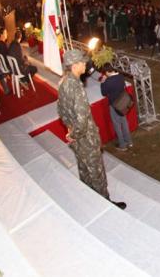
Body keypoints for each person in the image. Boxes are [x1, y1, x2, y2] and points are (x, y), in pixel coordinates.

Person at [57, 49, 126, 209]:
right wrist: (74, 133)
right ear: (74, 66)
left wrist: (70, 130)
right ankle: (105, 206)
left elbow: (60, 110)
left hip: (77, 138)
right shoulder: (76, 87)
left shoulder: (63, 82)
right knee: (97, 174)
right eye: (82, 62)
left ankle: (89, 201)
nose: (85, 64)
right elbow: (82, 120)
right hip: (86, 139)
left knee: (84, 171)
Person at [100, 63, 133, 151]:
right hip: (123, 103)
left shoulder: (108, 82)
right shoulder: (120, 76)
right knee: (124, 122)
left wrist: (103, 82)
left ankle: (122, 145)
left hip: (114, 105)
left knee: (117, 125)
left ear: (107, 72)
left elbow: (103, 93)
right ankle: (129, 141)